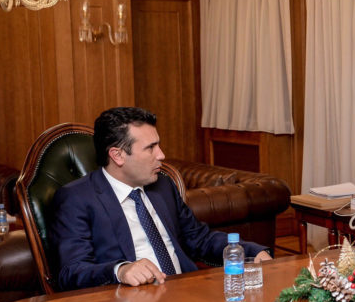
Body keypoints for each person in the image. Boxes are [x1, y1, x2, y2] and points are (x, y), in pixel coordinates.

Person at [51, 107, 272, 291]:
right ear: (117, 155)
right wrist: (120, 270)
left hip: (185, 294)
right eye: (150, 148)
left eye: (158, 144)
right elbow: (72, 272)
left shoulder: (162, 186)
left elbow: (199, 239)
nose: (161, 155)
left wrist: (251, 251)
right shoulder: (77, 199)